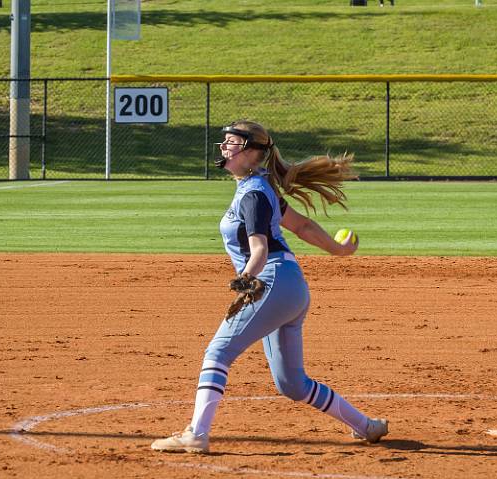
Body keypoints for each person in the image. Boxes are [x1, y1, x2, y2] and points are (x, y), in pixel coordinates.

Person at [151, 120, 388, 454]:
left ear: (250, 152)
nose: (224, 147)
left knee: (217, 353)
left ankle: (196, 434)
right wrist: (339, 250)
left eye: (231, 142)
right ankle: (367, 426)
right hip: (292, 289)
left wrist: (247, 278)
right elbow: (302, 225)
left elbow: (259, 249)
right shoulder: (260, 187)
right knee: (292, 383)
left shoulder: (253, 194)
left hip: (270, 283)